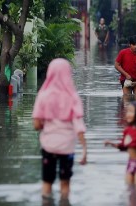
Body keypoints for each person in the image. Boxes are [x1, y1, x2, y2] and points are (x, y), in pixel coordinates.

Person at [32, 58, 87, 200]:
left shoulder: (43, 95)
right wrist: (84, 151)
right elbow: (79, 126)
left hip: (48, 146)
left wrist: (47, 124)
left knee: (46, 184)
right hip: (67, 148)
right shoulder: (73, 97)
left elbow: (36, 125)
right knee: (65, 186)